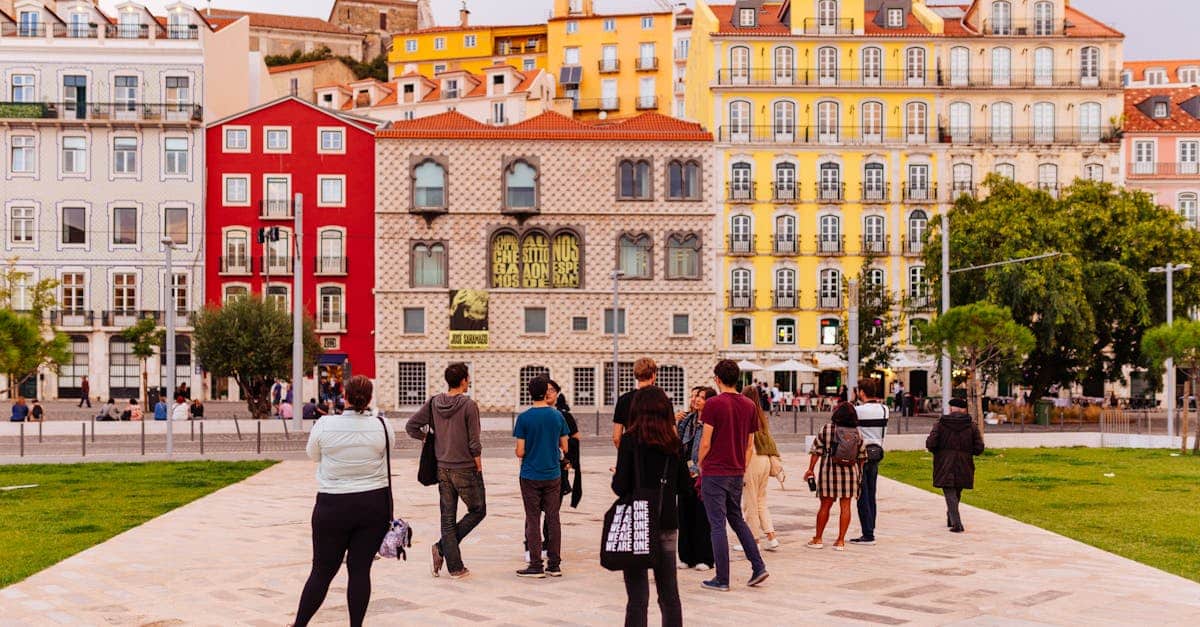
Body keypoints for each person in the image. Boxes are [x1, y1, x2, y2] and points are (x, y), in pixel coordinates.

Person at [293, 375, 392, 627]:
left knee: (322, 571)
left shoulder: (325, 424)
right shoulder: (382, 425)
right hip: (373, 504)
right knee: (360, 571)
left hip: (332, 505)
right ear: (369, 399)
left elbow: (312, 455)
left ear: (344, 396)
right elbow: (388, 450)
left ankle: (300, 624)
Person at [613, 386, 689, 627]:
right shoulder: (673, 443)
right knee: (669, 594)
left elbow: (620, 486)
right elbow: (684, 487)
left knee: (637, 597)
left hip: (637, 522)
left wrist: (620, 475)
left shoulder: (629, 441)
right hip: (665, 519)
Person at [405, 362, 484, 580]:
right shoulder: (469, 406)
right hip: (465, 466)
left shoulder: (433, 403)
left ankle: (454, 565)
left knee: (447, 518)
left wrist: (429, 438)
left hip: (442, 467)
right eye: (468, 378)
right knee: (478, 510)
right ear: (463, 381)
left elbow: (411, 426)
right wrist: (478, 463)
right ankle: (442, 548)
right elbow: (474, 441)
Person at [697, 360, 768, 592]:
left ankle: (722, 578)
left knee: (717, 524)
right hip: (737, 471)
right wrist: (741, 466)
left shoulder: (713, 404)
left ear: (717, 379)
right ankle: (758, 566)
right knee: (736, 519)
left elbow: (706, 441)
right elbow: (749, 445)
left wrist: (700, 464)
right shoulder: (749, 405)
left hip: (715, 471)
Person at [513, 376, 569, 578]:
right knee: (553, 518)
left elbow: (520, 451)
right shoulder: (557, 417)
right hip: (553, 473)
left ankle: (536, 564)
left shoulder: (524, 418)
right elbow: (565, 446)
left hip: (530, 474)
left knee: (533, 518)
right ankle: (554, 564)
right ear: (546, 393)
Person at [804, 402, 867, 551]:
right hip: (850, 473)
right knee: (845, 506)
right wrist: (859, 474)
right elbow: (862, 456)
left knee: (825, 505)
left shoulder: (827, 429)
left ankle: (818, 539)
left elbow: (816, 451)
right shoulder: (857, 432)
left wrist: (810, 469)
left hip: (828, 472)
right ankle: (840, 541)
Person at [927, 398, 985, 533]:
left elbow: (931, 443)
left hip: (944, 462)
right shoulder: (972, 426)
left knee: (949, 491)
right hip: (964, 462)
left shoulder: (940, 424)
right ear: (964, 409)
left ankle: (957, 523)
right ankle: (951, 518)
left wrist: (937, 452)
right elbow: (979, 448)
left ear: (951, 408)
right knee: (956, 490)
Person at [675, 387, 715, 571]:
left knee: (702, 515)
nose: (696, 399)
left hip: (703, 472)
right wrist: (674, 422)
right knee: (684, 513)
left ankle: (704, 557)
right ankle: (685, 556)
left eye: (701, 397)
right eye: (695, 396)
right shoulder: (688, 420)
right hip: (685, 472)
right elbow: (676, 442)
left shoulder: (711, 421)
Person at [737, 385, 780, 553]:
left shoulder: (745, 413)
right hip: (765, 459)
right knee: (761, 500)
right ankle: (771, 537)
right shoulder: (761, 415)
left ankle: (753, 541)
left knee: (750, 503)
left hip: (752, 459)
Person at [851, 378, 890, 546]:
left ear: (861, 392)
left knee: (862, 494)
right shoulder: (884, 409)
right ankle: (870, 528)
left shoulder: (857, 410)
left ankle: (867, 534)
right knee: (871, 493)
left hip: (861, 454)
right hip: (877, 452)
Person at [613, 358, 657, 448]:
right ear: (653, 375)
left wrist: (625, 454)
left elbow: (616, 437)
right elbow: (673, 433)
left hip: (631, 450)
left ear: (636, 376)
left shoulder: (623, 400)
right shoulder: (661, 399)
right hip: (656, 453)